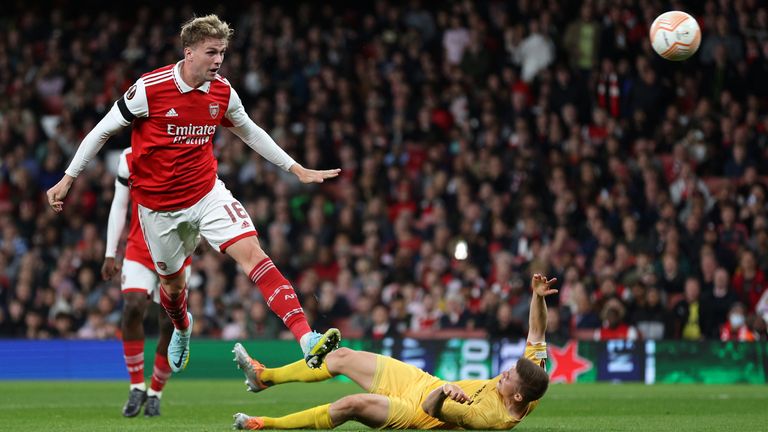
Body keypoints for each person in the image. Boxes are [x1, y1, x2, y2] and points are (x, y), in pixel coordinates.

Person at [46, 14, 341, 372]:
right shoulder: (149, 89)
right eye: (211, 52)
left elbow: (250, 131)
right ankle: (183, 327)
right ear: (189, 53)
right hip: (157, 210)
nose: (218, 60)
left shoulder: (222, 91)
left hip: (206, 194)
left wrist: (296, 169)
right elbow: (101, 131)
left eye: (222, 53)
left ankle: (306, 337)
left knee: (253, 253)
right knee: (172, 289)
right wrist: (68, 177)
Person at [230, 274, 556, 430]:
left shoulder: (488, 417)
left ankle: (266, 424)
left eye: (509, 377)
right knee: (340, 356)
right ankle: (264, 378)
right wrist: (538, 297)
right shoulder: (531, 380)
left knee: (351, 405)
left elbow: (432, 408)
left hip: (417, 412)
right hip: (421, 381)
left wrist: (443, 392)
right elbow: (537, 332)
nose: (505, 374)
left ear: (516, 398)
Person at [102, 148, 189, 417]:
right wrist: (110, 252)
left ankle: (155, 392)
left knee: (168, 321)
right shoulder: (129, 157)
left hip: (176, 251)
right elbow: (119, 204)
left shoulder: (186, 152)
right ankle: (136, 385)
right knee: (133, 307)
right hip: (139, 250)